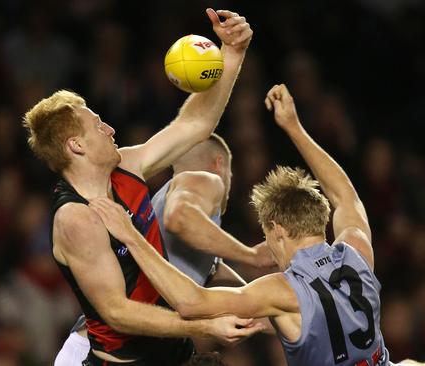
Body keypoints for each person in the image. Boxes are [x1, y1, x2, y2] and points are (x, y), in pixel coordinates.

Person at [88, 84, 425, 366]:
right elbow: (346, 195)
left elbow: (190, 304)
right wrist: (294, 128)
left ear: (276, 229)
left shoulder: (280, 288)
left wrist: (131, 238)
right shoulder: (357, 249)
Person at [23, 8, 259, 366]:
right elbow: (118, 312)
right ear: (76, 146)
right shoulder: (76, 220)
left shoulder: (129, 164)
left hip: (174, 350)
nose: (111, 130)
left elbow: (195, 123)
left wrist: (232, 54)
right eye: (98, 125)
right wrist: (205, 324)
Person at [55, 134, 275, 365]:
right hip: (108, 352)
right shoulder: (205, 180)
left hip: (103, 348)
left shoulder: (176, 213)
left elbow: (207, 275)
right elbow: (178, 218)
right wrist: (252, 256)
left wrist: (272, 310)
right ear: (219, 164)